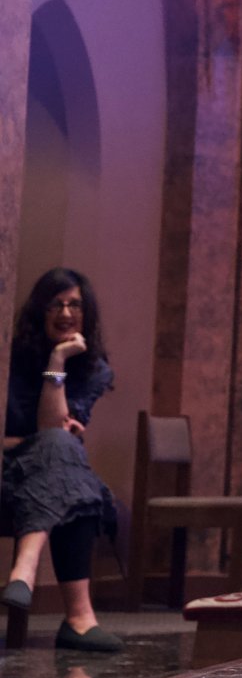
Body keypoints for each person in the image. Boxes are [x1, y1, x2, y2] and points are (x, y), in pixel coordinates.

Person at [2, 268, 123, 652]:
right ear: (40, 310)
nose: (66, 313)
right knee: (74, 471)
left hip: (40, 477)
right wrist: (38, 440)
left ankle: (24, 569)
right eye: (56, 304)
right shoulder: (10, 356)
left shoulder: (93, 369)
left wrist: (57, 359)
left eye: (75, 304)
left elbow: (50, 428)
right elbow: (52, 431)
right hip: (7, 474)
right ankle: (78, 619)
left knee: (65, 456)